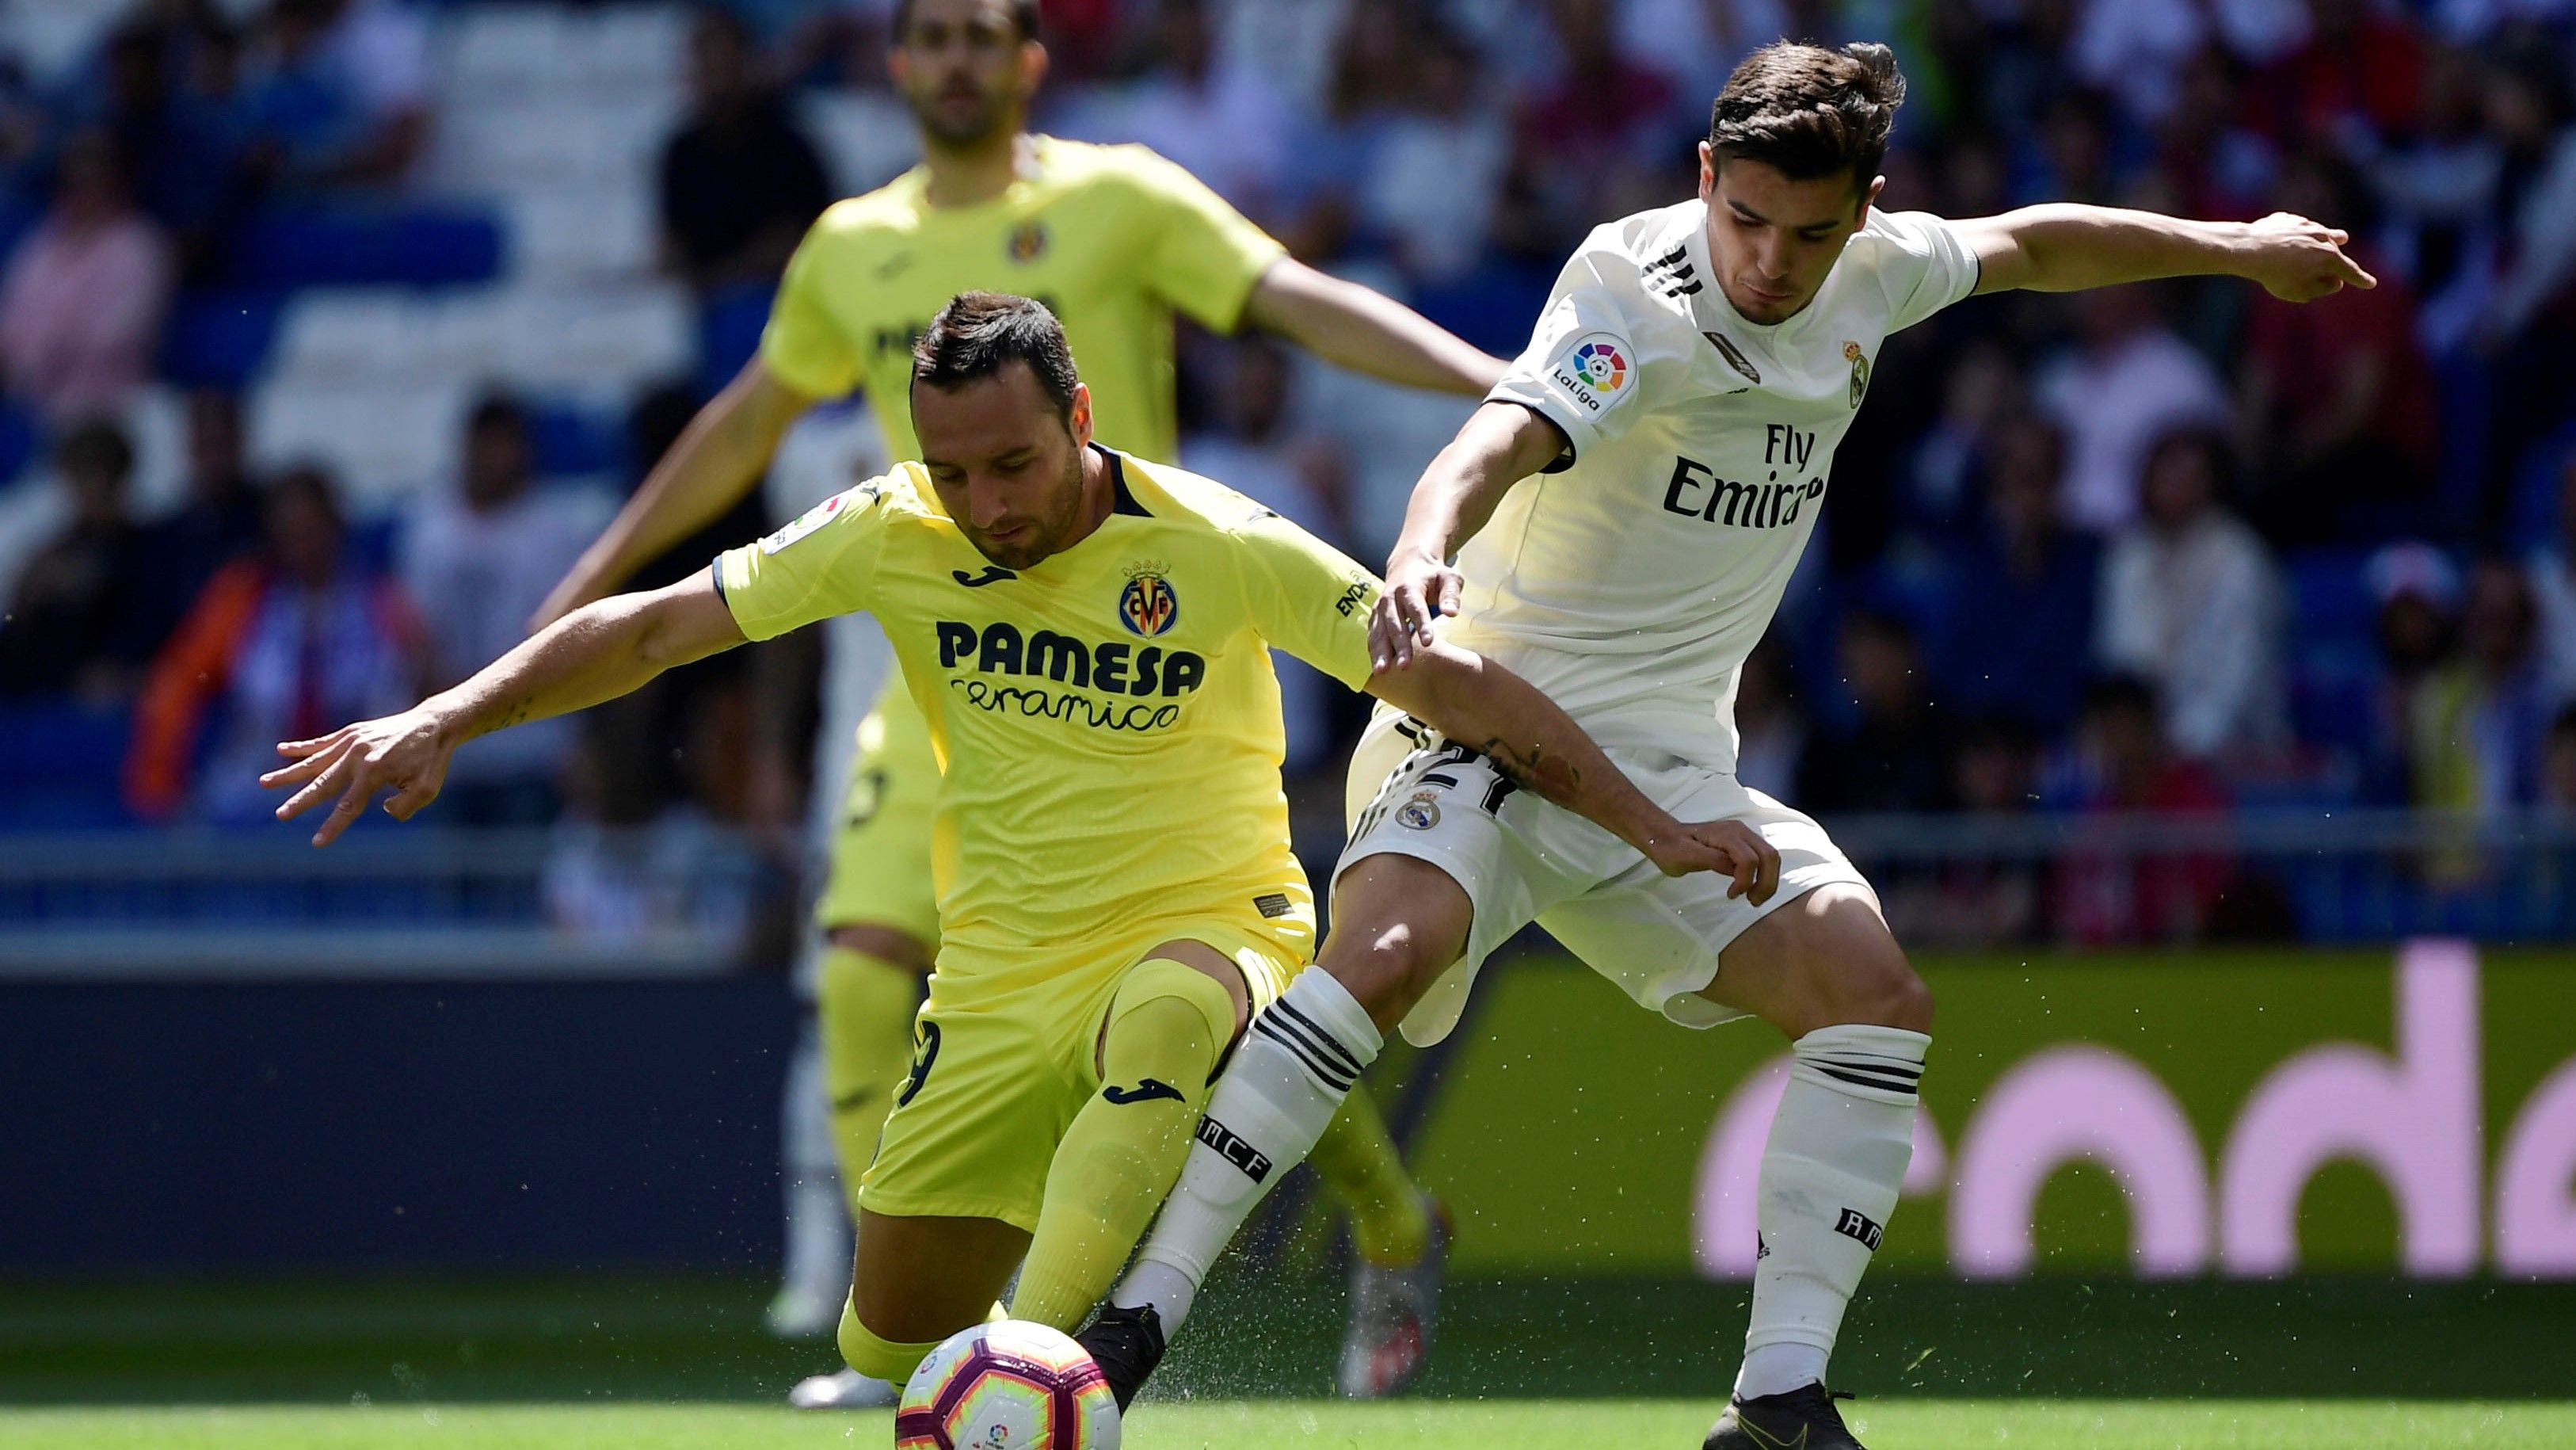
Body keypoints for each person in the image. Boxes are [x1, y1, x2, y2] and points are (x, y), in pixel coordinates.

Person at [1088, 40, 2374, 1450]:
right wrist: (1417, 549)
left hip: (1673, 758)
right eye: (1745, 219)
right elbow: (1499, 435)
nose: (1771, 260)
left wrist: (2239, 247)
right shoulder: (1633, 286)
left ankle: (1778, 1399)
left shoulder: (1877, 271)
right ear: (1705, 177)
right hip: (1500, 708)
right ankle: (1137, 1318)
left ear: (1863, 210)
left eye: (1810, 234)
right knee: (1384, 960)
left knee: (1874, 994)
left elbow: (2034, 246)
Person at [263, 292, 1751, 1406]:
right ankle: (1046, 1329)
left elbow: (1456, 686)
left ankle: (1055, 1391)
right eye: (955, 473)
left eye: (1013, 467)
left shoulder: (1222, 543)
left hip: (1210, 918)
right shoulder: (889, 529)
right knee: (886, 1334)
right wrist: (451, 713)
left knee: (1167, 1026)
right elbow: (657, 627)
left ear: (1082, 415)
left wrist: (1654, 819)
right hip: (996, 971)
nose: (985, 507)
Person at [528, 0, 1507, 1406]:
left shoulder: (1119, 195)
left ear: (1028, 60)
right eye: (930, 36)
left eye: (985, 34)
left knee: (1211, 1003)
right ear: (898, 64)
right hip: (936, 655)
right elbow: (749, 418)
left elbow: (1293, 296)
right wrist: (601, 566)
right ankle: (883, 1329)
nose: (957, 60)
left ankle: (1372, 1228)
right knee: (864, 967)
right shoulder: (851, 245)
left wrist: (1494, 392)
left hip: (1148, 643)